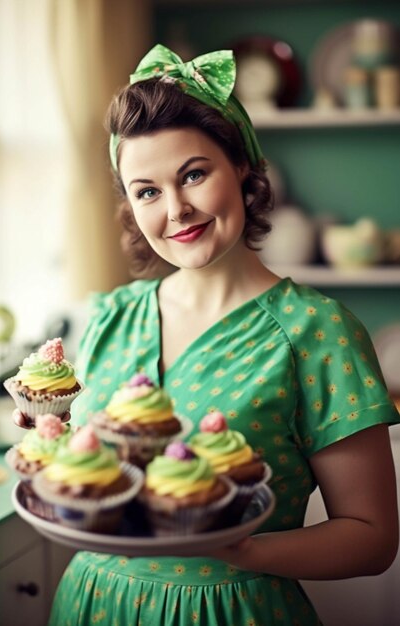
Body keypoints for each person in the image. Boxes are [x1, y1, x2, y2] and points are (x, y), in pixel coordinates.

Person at [47, 44, 400, 625]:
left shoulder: (317, 331)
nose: (177, 209)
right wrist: (51, 437)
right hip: (91, 603)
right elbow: (97, 478)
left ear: (241, 166)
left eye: (193, 174)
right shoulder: (109, 317)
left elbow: (372, 537)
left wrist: (245, 552)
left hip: (234, 609)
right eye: (147, 191)